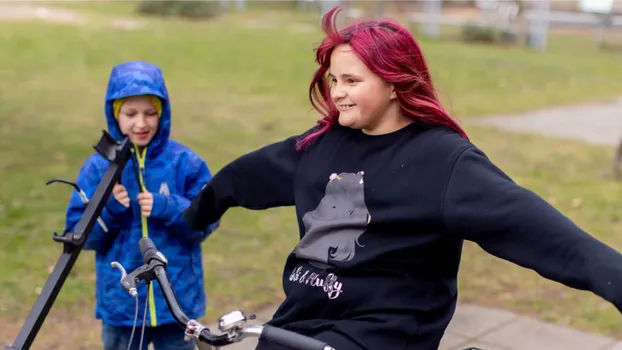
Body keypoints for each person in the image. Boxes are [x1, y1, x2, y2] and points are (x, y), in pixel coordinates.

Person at [183, 7, 622, 350]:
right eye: (334, 79)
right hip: (296, 326)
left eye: (352, 80)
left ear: (394, 83)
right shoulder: (320, 146)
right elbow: (243, 176)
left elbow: (541, 231)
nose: (337, 92)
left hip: (381, 337)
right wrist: (193, 218)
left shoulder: (444, 163)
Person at [64, 60, 219, 350]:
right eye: (130, 113)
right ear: (114, 113)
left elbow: (207, 222)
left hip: (176, 304)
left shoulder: (187, 164)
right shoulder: (99, 168)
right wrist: (108, 208)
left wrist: (167, 207)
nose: (141, 123)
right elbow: (79, 234)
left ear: (164, 113)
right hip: (122, 307)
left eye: (150, 113)